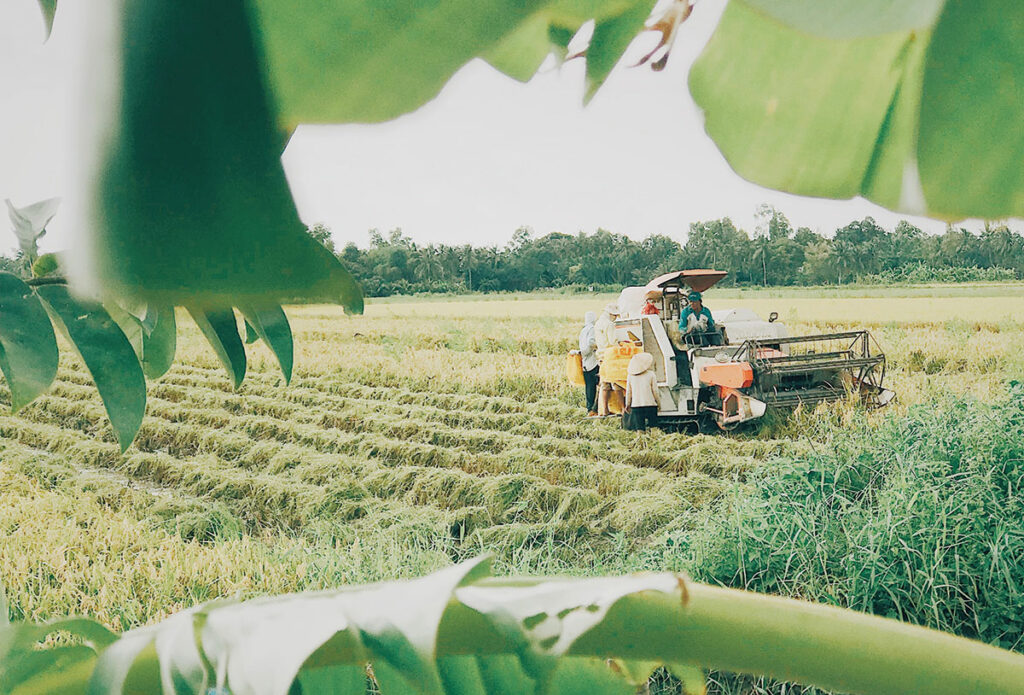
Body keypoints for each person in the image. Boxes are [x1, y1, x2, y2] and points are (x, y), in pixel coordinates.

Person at [594, 303, 620, 416]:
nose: (616, 318)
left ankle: (603, 410)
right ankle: (622, 409)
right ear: (610, 314)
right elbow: (613, 341)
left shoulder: (598, 323)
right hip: (610, 355)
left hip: (601, 355)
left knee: (604, 383)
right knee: (616, 383)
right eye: (615, 315)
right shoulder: (609, 325)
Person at [623, 352, 660, 431]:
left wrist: (627, 404)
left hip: (636, 406)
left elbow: (629, 392)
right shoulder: (651, 374)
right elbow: (655, 391)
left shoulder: (630, 376)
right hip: (650, 405)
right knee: (654, 427)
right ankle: (655, 440)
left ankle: (642, 443)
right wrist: (658, 403)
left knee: (640, 429)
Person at [578, 311, 599, 417]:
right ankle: (593, 409)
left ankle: (589, 408)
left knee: (589, 386)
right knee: (596, 385)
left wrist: (582, 353)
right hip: (592, 361)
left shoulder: (583, 330)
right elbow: (591, 343)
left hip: (585, 361)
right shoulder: (592, 329)